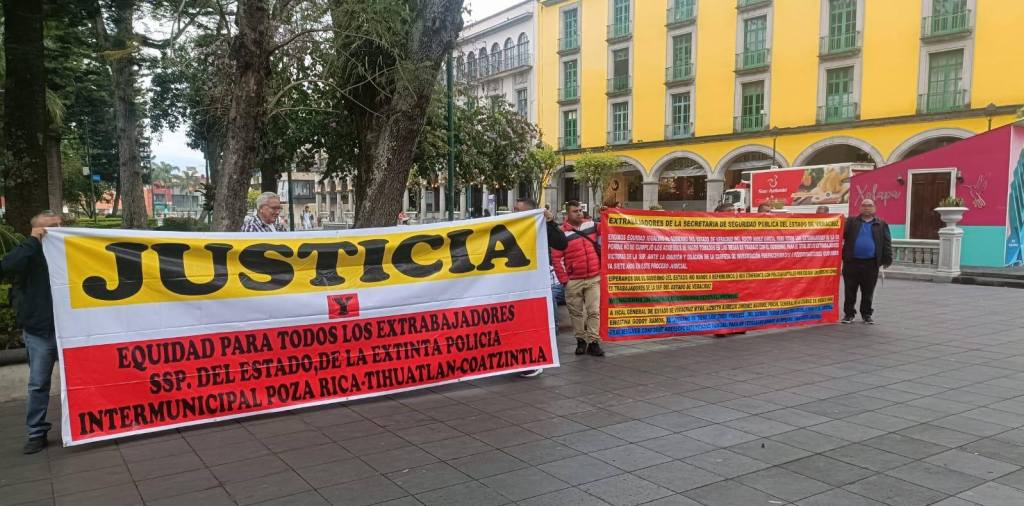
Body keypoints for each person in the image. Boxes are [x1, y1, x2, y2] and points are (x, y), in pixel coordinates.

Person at [2, 211, 62, 454]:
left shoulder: (68, 251)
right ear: (37, 230)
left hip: (70, 330)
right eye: (50, 228)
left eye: (59, 226)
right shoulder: (29, 252)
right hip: (40, 331)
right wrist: (33, 242)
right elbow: (7, 266)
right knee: (38, 383)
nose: (56, 231)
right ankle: (36, 432)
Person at [512, 198, 569, 377]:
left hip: (537, 286)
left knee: (540, 322)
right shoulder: (509, 228)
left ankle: (535, 360)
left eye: (517, 209)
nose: (514, 212)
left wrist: (550, 222)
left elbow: (561, 243)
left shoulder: (541, 227)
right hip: (516, 285)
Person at [552, 201, 604, 357]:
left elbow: (609, 227)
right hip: (573, 280)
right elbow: (556, 259)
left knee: (594, 311)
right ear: (567, 214)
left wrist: (607, 214)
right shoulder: (561, 233)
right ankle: (581, 341)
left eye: (580, 210)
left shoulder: (591, 225)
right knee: (576, 313)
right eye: (575, 211)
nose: (579, 213)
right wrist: (565, 281)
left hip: (593, 277)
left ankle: (593, 342)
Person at [842, 199, 892, 324]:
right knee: (849, 290)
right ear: (860, 208)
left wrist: (887, 259)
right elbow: (839, 234)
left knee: (868, 291)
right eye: (864, 205)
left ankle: (866, 314)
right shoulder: (851, 222)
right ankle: (849, 314)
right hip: (851, 262)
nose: (867, 208)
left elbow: (887, 243)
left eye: (870, 205)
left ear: (874, 208)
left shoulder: (881, 224)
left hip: (871, 264)